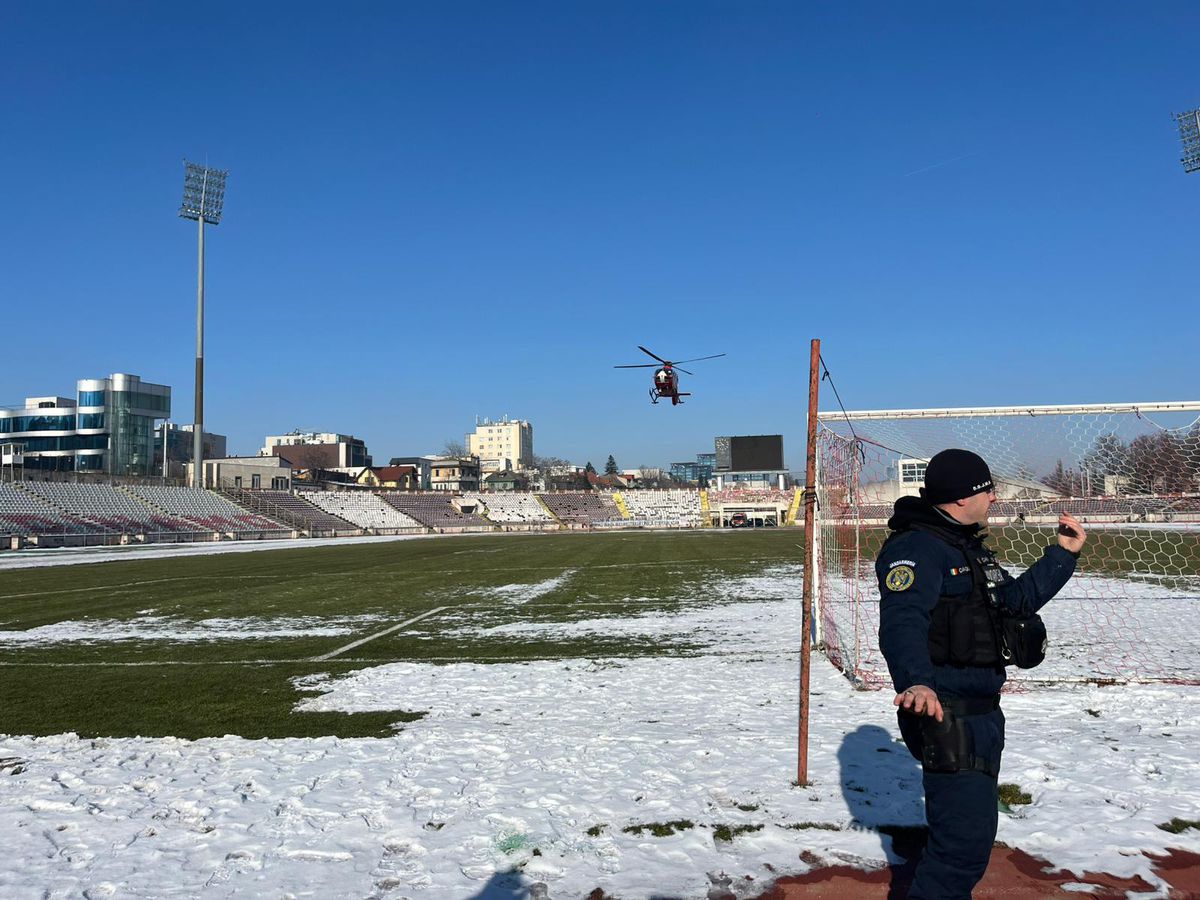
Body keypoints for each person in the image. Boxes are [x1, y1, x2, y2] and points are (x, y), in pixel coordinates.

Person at [876, 448, 1086, 899]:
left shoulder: (962, 543)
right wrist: (915, 680)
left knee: (966, 837)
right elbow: (902, 619)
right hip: (945, 713)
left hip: (980, 713)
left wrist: (1062, 556)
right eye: (986, 489)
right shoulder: (917, 548)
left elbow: (1012, 602)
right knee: (959, 853)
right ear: (960, 497)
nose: (994, 498)